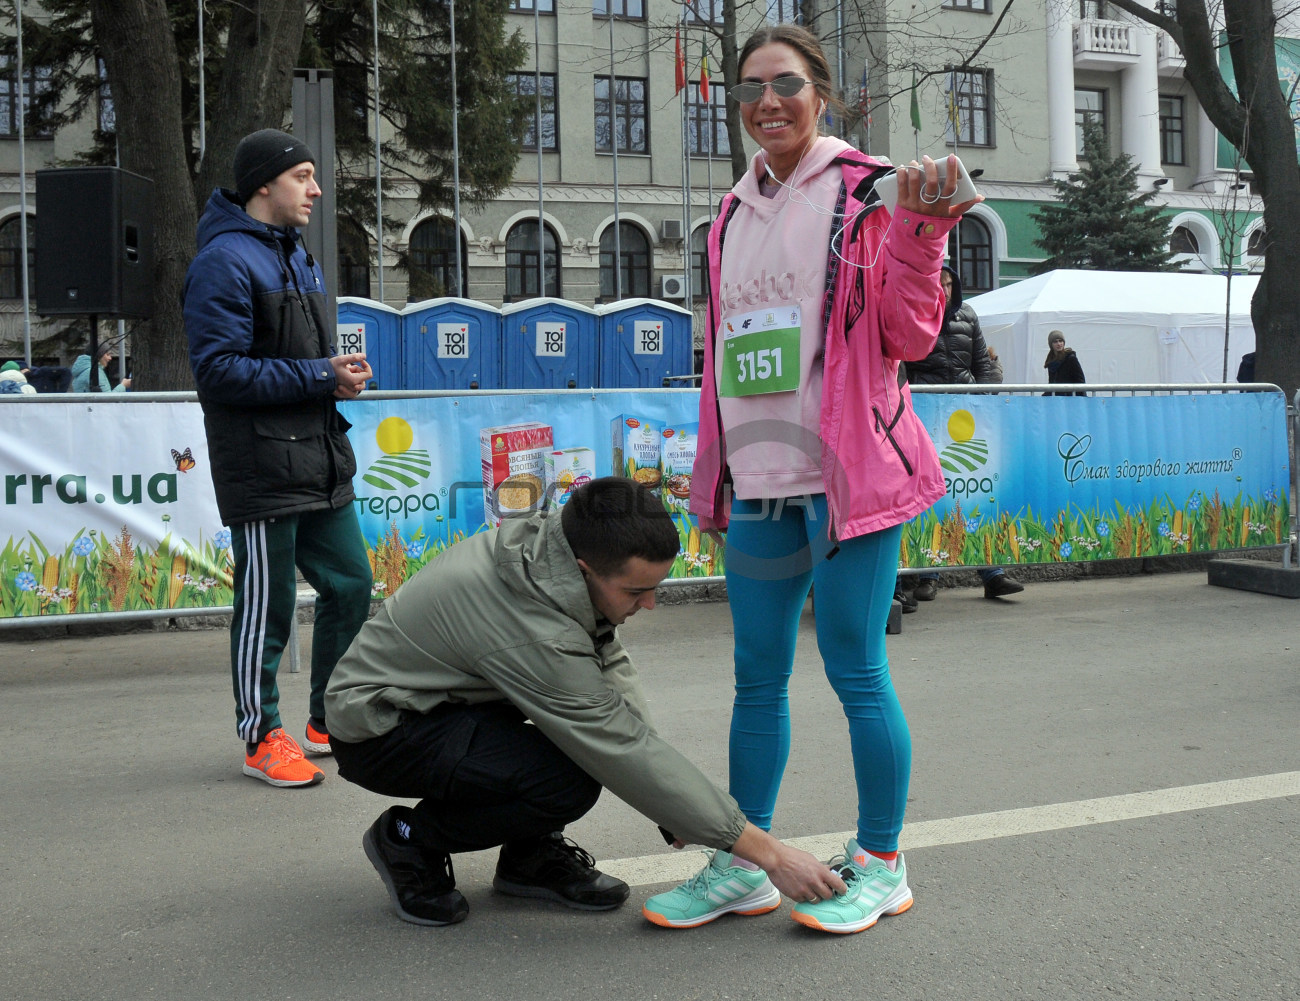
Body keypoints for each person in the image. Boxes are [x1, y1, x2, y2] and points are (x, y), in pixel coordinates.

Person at [650, 24, 977, 936]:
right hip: (760, 485)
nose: (767, 101)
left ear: (821, 93)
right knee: (756, 677)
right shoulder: (727, 212)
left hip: (850, 482)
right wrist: (714, 482)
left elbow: (910, 338)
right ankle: (743, 864)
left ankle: (882, 860)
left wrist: (924, 232)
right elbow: (725, 360)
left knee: (856, 670)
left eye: (786, 83)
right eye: (750, 86)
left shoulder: (870, 192)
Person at [325, 477, 846, 927]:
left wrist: (675, 809)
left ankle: (527, 860)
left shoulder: (553, 559)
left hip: (448, 699)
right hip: (381, 728)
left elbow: (611, 673)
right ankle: (410, 839)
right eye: (637, 590)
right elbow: (615, 743)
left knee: (571, 755)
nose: (650, 603)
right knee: (566, 780)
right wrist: (770, 855)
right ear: (585, 567)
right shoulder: (535, 629)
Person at [183, 128, 374, 788]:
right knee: (267, 609)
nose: (316, 189)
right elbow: (220, 373)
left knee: (352, 586)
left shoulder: (300, 256)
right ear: (263, 183)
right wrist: (322, 374)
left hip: (320, 460)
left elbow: (300, 364)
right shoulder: (223, 262)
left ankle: (330, 718)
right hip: (263, 469)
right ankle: (261, 734)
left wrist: (336, 376)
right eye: (303, 176)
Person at [903, 265, 1025, 602]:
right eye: (937, 284)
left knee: (972, 491)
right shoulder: (914, 315)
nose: (944, 289)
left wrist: (985, 400)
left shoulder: (968, 315)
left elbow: (982, 364)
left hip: (965, 411)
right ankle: (927, 574)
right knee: (932, 492)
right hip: (925, 410)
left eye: (948, 283)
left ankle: (992, 572)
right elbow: (903, 364)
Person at [1044, 329, 1086, 395]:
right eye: (1055, 342)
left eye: (1060, 341)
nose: (1059, 344)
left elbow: (1080, 381)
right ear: (1051, 344)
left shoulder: (1071, 359)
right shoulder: (1051, 361)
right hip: (1057, 399)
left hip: (1071, 399)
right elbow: (1051, 385)